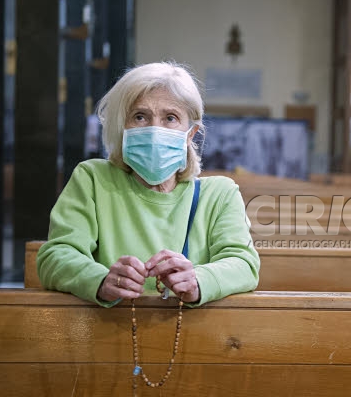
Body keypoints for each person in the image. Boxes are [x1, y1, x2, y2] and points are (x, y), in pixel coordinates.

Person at [37, 61, 260, 308]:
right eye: (140, 116)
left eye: (170, 118)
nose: (155, 130)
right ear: (122, 127)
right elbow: (55, 257)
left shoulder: (219, 194)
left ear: (191, 133)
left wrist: (198, 280)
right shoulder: (92, 179)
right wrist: (99, 280)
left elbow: (243, 264)